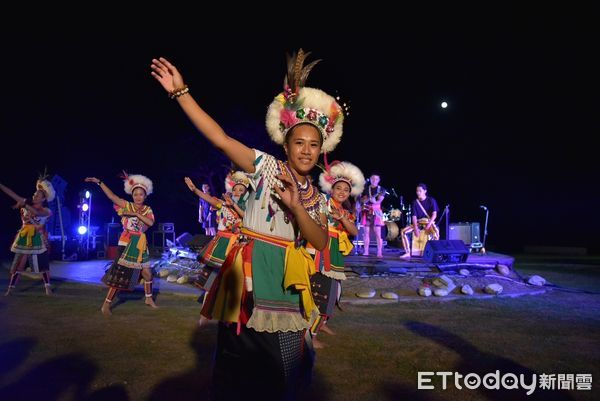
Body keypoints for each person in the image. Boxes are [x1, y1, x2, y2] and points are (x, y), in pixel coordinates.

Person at [151, 48, 344, 400]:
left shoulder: (316, 197)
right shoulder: (265, 167)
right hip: (250, 278)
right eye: (298, 142)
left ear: (321, 151)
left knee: (287, 367)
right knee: (236, 365)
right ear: (285, 145)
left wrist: (298, 208)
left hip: (286, 284)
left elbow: (319, 242)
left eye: (313, 145)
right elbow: (220, 139)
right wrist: (181, 93)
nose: (305, 150)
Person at [84, 174, 157, 315]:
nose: (138, 197)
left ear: (145, 196)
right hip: (126, 243)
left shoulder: (148, 210)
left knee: (147, 273)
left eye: (141, 194)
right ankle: (106, 304)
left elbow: (150, 223)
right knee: (120, 275)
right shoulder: (127, 205)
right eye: (135, 194)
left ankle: (148, 299)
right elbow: (112, 197)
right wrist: (99, 181)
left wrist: (136, 215)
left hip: (141, 244)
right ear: (132, 195)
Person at [310, 161, 363, 348]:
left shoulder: (345, 211)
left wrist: (341, 218)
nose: (342, 192)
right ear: (330, 189)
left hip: (334, 254)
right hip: (321, 249)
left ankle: (322, 324)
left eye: (345, 190)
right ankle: (311, 335)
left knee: (334, 292)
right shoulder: (322, 201)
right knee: (320, 292)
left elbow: (354, 232)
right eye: (338, 188)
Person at [185, 172, 249, 327]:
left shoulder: (248, 210)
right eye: (235, 189)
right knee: (211, 281)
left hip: (236, 247)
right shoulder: (223, 204)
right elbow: (208, 199)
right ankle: (205, 315)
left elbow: (246, 218)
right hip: (220, 245)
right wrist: (195, 190)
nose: (237, 192)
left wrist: (234, 205)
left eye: (241, 190)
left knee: (231, 284)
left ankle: (227, 317)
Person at [1, 177, 55, 296]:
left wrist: (24, 204)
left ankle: (47, 287)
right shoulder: (26, 203)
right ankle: (10, 288)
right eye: (34, 194)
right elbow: (12, 194)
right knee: (19, 262)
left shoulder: (46, 210)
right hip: (24, 236)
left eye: (37, 195)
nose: (34, 196)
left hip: (37, 237)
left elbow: (36, 213)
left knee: (43, 264)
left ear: (44, 199)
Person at [400, 183, 439, 259]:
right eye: (417, 191)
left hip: (428, 222)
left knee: (436, 234)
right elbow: (414, 217)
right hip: (419, 223)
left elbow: (434, 215)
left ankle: (435, 254)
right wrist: (415, 228)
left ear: (425, 191)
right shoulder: (415, 202)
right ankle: (407, 252)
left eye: (420, 191)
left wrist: (429, 224)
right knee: (403, 232)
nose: (418, 192)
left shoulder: (431, 200)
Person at [360, 174, 386, 257]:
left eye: (376, 179)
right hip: (366, 211)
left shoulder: (381, 189)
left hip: (376, 211)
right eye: (373, 178)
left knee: (378, 233)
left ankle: (379, 252)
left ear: (379, 180)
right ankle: (366, 251)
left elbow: (380, 200)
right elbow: (362, 200)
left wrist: (375, 202)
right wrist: (366, 200)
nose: (374, 180)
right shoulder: (365, 189)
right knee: (366, 232)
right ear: (370, 179)